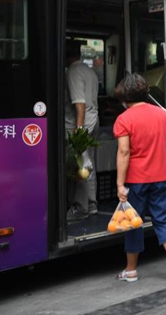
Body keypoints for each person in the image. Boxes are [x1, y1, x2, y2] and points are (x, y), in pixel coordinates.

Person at [114, 74, 166, 283]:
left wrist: (120, 184)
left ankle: (131, 270)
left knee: (133, 223)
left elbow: (124, 152)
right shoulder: (162, 114)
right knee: (163, 219)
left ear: (124, 97)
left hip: (136, 181)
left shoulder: (124, 119)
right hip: (162, 177)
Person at [65, 39, 100, 221]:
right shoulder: (90, 71)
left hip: (80, 125)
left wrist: (78, 130)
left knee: (77, 168)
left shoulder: (73, 72)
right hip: (93, 121)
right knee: (89, 165)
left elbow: (79, 104)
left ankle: (80, 208)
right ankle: (92, 204)